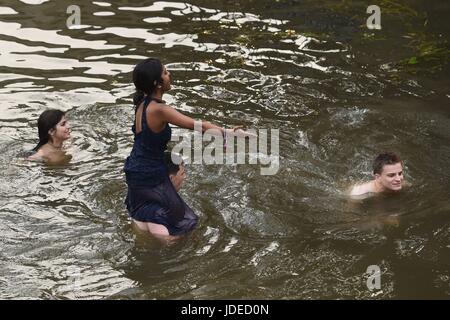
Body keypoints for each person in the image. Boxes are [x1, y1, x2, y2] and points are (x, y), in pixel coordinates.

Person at [124, 57, 250, 239]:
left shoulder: (142, 104)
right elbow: (198, 125)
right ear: (157, 83)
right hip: (148, 172)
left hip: (135, 168)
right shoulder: (159, 110)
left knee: (146, 210)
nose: (169, 75)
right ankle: (164, 254)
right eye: (166, 73)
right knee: (185, 223)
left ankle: (144, 239)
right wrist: (228, 132)